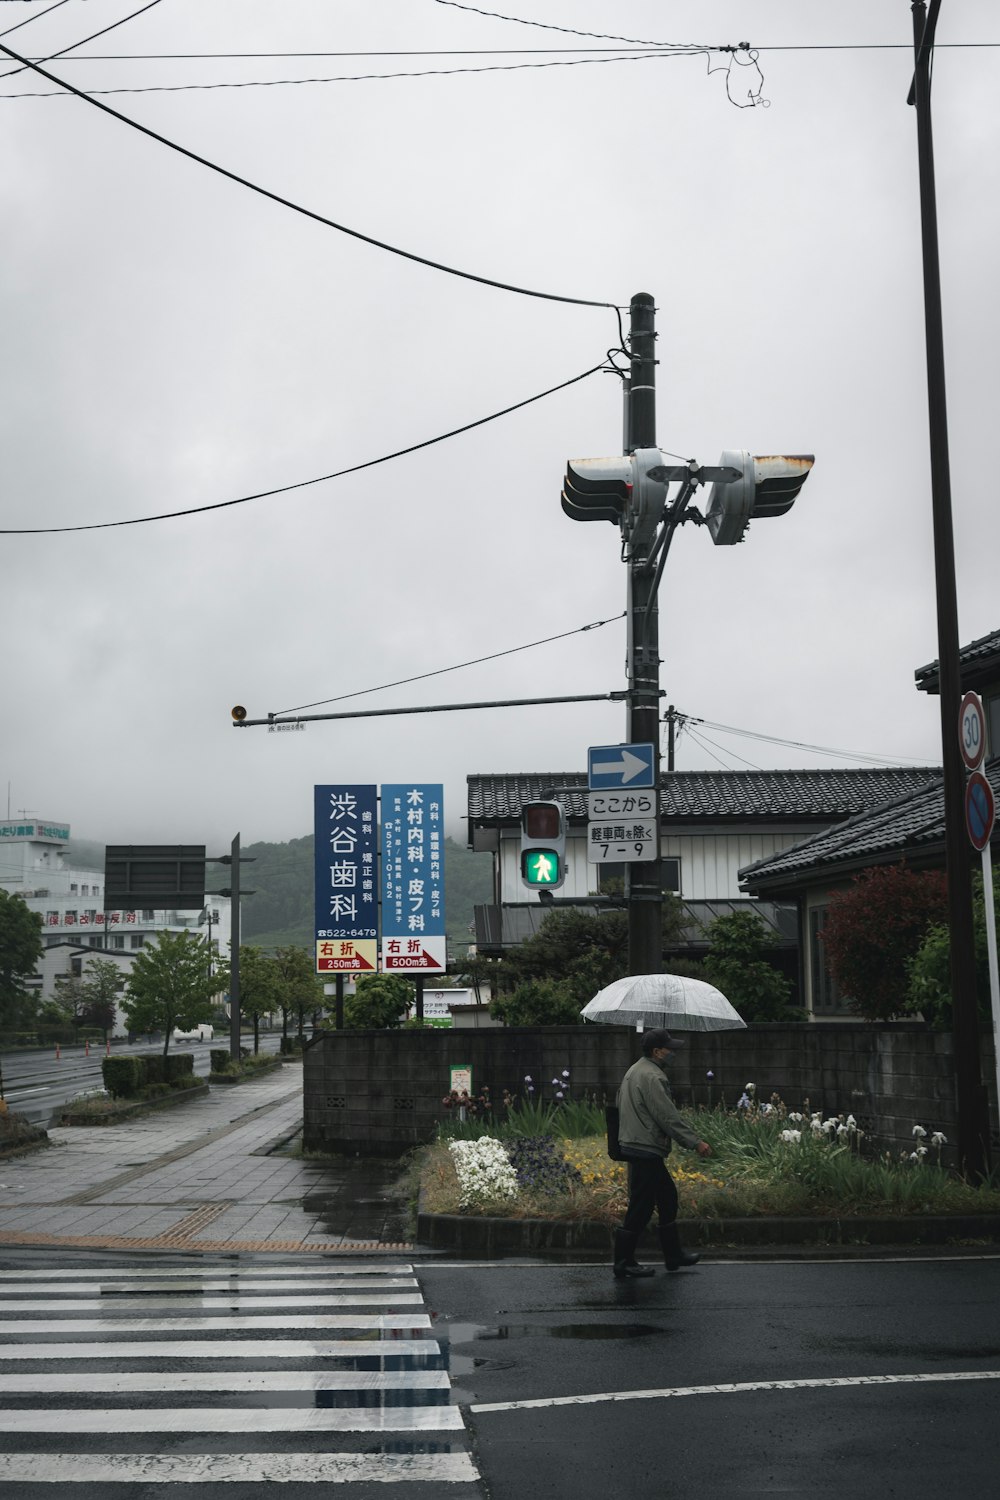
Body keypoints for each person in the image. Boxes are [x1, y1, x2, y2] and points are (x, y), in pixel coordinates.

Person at [613, 1028, 711, 1279]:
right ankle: (624, 1261)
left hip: (635, 1143)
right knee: (642, 1206)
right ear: (657, 1051)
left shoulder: (635, 1070)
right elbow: (667, 1116)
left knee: (666, 1197)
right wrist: (695, 1142)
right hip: (645, 1146)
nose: (673, 1052)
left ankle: (672, 1255)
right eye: (669, 1048)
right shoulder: (653, 1077)